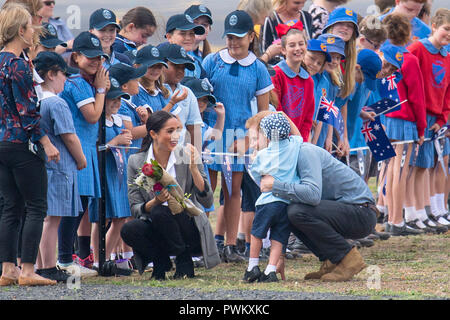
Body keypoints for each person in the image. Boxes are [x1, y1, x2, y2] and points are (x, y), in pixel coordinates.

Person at [202, 10, 273, 263]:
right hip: (212, 132)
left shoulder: (258, 69)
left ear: (251, 37)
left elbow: (263, 114)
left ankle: (231, 246)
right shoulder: (211, 61)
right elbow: (201, 100)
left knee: (233, 191)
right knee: (206, 190)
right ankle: (201, 243)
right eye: (229, 37)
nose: (233, 42)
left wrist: (249, 140)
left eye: (239, 37)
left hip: (239, 137)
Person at [257, 138, 379, 282]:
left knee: (296, 211)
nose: (253, 144)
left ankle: (347, 259)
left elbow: (313, 195)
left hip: (361, 212)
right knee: (291, 211)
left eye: (255, 138)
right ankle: (333, 260)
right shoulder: (287, 158)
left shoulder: (304, 152)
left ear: (269, 138)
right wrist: (280, 256)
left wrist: (276, 185)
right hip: (348, 211)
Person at [120, 110, 221, 279]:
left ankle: (184, 259)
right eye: (170, 131)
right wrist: (155, 201)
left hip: (187, 226)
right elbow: (135, 208)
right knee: (130, 228)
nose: (176, 136)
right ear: (153, 133)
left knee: (162, 213)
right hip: (157, 225)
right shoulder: (136, 161)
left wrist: (194, 169)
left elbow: (208, 200)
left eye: (178, 130)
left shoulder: (187, 155)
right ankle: (161, 261)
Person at [0, 3, 60, 287]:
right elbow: (28, 112)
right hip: (22, 145)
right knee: (36, 207)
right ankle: (27, 269)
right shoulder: (19, 66)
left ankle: (7, 268)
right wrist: (46, 143)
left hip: (0, 143)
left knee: (10, 207)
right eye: (30, 27)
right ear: (22, 30)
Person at [57, 31, 110, 278]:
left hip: (86, 148)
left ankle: (68, 258)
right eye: (89, 57)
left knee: (80, 206)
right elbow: (92, 115)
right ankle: (64, 259)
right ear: (75, 57)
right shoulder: (77, 83)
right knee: (73, 207)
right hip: (77, 149)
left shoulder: (83, 83)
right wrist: (101, 90)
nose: (96, 62)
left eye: (99, 58)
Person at [33, 52, 85, 282]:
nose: (66, 79)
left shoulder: (36, 100)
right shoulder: (56, 102)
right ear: (52, 74)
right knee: (52, 219)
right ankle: (47, 266)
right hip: (60, 167)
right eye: (64, 74)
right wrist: (81, 158)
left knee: (45, 217)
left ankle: (39, 264)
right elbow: (69, 136)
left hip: (43, 167)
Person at [243, 112, 302, 283]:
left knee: (257, 233)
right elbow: (297, 133)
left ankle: (252, 266)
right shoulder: (294, 145)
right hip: (286, 202)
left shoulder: (262, 155)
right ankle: (270, 270)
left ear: (267, 135)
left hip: (267, 202)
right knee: (278, 237)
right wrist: (285, 117)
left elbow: (256, 176)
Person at [408, 8, 450, 228]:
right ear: (434, 26)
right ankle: (411, 212)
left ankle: (427, 211)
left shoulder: (447, 57)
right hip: (417, 116)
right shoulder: (417, 49)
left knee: (427, 166)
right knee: (413, 166)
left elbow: (447, 93)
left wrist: (442, 119)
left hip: (435, 119)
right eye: (446, 29)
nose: (449, 34)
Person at [271, 26, 315, 140]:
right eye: (292, 45)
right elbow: (276, 109)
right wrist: (289, 139)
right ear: (283, 50)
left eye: (301, 44)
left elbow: (308, 118)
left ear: (306, 46)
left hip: (299, 141)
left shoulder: (308, 80)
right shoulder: (276, 74)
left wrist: (303, 141)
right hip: (280, 139)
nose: (297, 48)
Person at [157, 43, 203, 149]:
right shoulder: (154, 90)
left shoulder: (187, 93)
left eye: (183, 68)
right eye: (176, 66)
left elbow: (194, 128)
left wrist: (196, 158)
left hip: (180, 154)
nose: (180, 71)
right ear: (162, 64)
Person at [262, 0, 313, 65]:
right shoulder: (271, 19)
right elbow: (264, 50)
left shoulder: (306, 17)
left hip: (302, 68)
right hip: (277, 69)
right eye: (296, 3)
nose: (300, 7)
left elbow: (310, 47)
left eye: (303, 3)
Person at [165, 13, 206, 79]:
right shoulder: (159, 61)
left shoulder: (196, 64)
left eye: (191, 33)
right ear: (169, 37)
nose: (188, 38)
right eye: (182, 33)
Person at [184, 5, 214, 69]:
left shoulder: (208, 59)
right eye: (195, 23)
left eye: (204, 25)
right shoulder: (172, 52)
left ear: (209, 29)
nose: (200, 27)